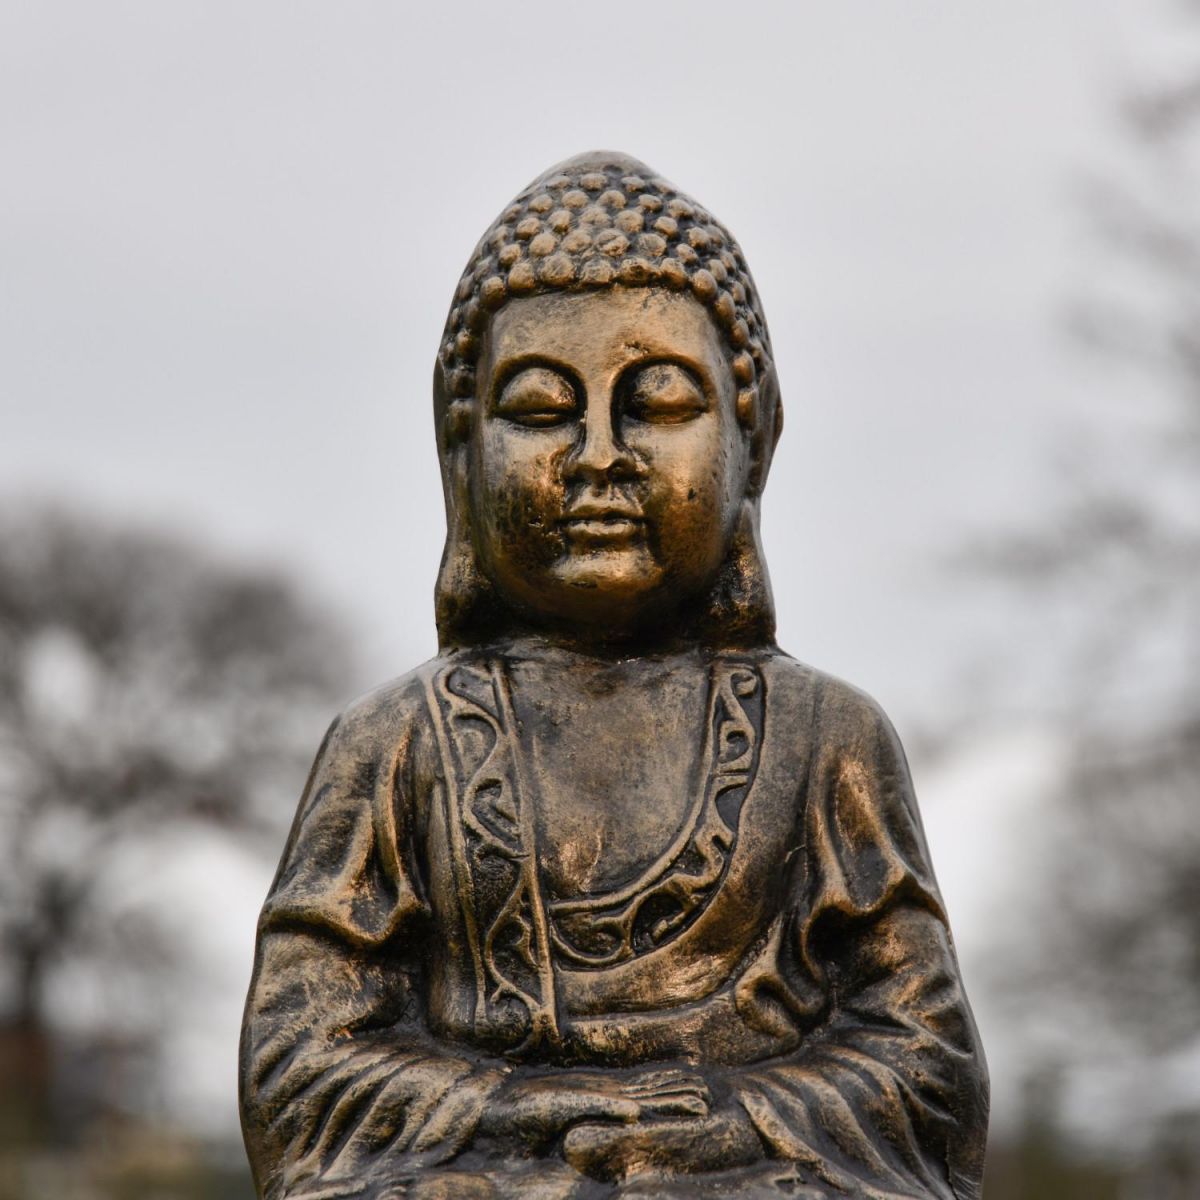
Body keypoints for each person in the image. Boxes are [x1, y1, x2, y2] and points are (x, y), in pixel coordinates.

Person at [239, 152, 989, 1199]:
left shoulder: (829, 738)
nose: (599, 455)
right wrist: (517, 1110)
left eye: (659, 403)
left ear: (750, 445)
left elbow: (933, 1074)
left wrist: (737, 1119)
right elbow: (294, 1071)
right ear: (462, 452)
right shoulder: (395, 739)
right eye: (542, 410)